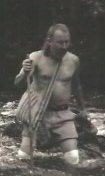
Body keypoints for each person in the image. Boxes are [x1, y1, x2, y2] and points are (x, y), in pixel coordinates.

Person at [14, 23, 88, 165]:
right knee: (23, 156)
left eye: (67, 42)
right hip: (37, 114)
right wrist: (24, 71)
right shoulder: (35, 58)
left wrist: (83, 109)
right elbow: (17, 83)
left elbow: (77, 86)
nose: (65, 46)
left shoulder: (73, 60)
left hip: (63, 114)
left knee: (73, 157)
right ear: (49, 42)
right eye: (60, 42)